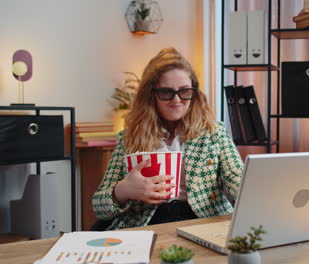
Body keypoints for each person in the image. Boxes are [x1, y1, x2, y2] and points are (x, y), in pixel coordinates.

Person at [92, 47, 244, 230]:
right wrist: (122, 191)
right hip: (144, 222)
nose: (177, 99)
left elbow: (237, 178)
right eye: (166, 92)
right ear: (151, 95)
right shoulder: (130, 138)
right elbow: (98, 206)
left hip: (203, 220)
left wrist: (255, 195)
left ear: (194, 93)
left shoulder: (214, 133)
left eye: (185, 91)